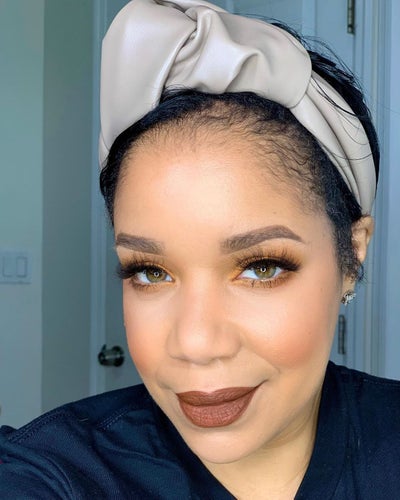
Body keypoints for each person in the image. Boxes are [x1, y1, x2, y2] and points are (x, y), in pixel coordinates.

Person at [1, 0, 399, 498]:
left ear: (352, 254)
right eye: (150, 272)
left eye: (261, 267)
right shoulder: (53, 472)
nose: (195, 343)